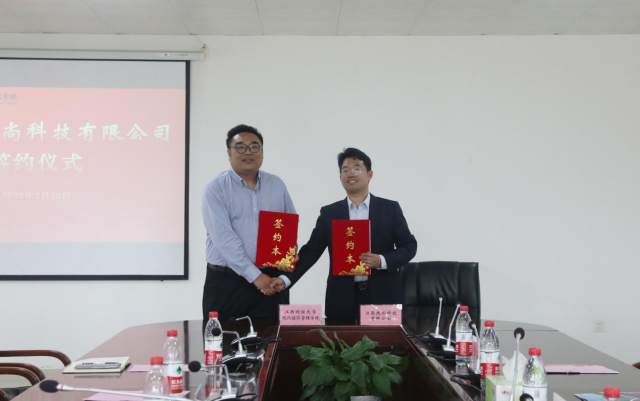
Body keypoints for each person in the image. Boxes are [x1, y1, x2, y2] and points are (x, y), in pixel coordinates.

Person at [271, 148, 417, 321]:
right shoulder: (329, 213)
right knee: (341, 339)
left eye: (357, 169)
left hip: (383, 295)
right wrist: (286, 279)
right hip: (341, 298)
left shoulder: (390, 209)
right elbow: (311, 251)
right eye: (345, 170)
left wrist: (382, 260)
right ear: (340, 177)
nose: (351, 174)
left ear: (369, 174)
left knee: (382, 340)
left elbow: (409, 246)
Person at [201, 124, 296, 320]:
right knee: (225, 338)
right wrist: (255, 276)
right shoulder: (216, 188)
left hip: (270, 280)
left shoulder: (276, 184)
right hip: (227, 282)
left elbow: (287, 224)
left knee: (272, 337)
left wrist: (288, 256)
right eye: (240, 147)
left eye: (254, 146)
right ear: (229, 153)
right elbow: (224, 240)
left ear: (262, 152)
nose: (248, 152)